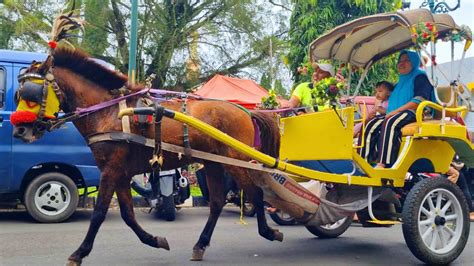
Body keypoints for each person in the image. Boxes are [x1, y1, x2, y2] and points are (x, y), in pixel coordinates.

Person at [359, 50, 434, 167]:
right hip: (399, 114)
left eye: (406, 60)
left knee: (391, 121)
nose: (401, 63)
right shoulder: (400, 82)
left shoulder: (421, 77)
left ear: (415, 62)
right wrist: (379, 110)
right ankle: (363, 162)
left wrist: (396, 111)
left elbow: (420, 100)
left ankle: (383, 164)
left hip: (415, 113)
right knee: (371, 124)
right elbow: (388, 101)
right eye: (400, 61)